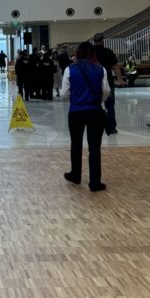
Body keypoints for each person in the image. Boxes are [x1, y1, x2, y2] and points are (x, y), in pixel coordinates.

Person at [62, 41, 110, 192]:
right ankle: (95, 182)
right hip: (95, 111)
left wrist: (76, 99)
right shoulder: (100, 69)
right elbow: (106, 91)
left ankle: (75, 175)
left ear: (78, 53)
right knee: (94, 147)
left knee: (76, 144)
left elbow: (64, 93)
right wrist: (97, 101)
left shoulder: (70, 69)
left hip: (76, 112)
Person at [92, 33, 122, 134]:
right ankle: (111, 128)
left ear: (93, 40)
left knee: (94, 106)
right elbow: (115, 67)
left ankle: (96, 127)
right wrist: (120, 79)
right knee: (110, 106)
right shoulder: (108, 52)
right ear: (103, 40)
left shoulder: (90, 53)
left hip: (93, 83)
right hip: (108, 83)